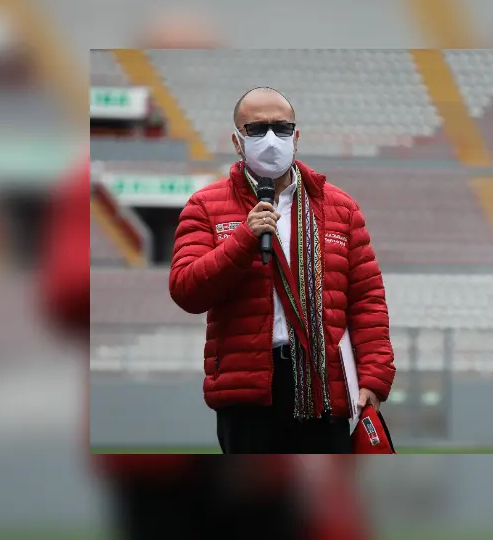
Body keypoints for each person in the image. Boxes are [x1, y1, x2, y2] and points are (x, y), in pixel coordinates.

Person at [169, 86, 396, 454]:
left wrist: (374, 376)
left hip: (326, 385)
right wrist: (244, 239)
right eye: (256, 129)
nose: (271, 139)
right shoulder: (206, 206)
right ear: (237, 141)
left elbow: (367, 299)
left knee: (325, 499)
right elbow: (186, 290)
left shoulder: (340, 208)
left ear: (297, 136)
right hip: (249, 389)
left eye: (282, 128)